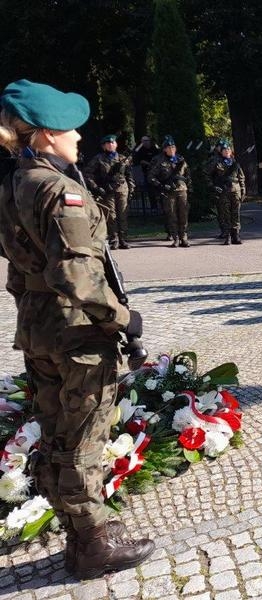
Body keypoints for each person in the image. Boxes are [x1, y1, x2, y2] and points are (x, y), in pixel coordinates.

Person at [0, 79, 154, 579]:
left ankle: (76, 534)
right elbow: (77, 276)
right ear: (44, 135)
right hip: (78, 333)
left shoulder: (13, 184)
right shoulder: (61, 190)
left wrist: (33, 311)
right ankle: (94, 543)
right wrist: (124, 319)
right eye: (69, 128)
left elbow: (17, 270)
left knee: (56, 432)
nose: (80, 138)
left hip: (39, 328)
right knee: (85, 436)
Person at [83, 134, 134, 249]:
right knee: (111, 214)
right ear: (104, 146)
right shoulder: (98, 158)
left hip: (122, 189)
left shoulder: (123, 159)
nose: (111, 145)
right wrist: (96, 187)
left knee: (122, 214)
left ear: (116, 145)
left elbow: (129, 175)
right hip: (107, 190)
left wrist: (131, 189)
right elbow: (87, 174)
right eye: (108, 143)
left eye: (113, 143)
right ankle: (114, 237)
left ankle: (123, 238)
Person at [148, 136, 191, 247]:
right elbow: (151, 177)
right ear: (164, 149)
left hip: (182, 189)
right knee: (171, 215)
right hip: (168, 192)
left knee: (183, 214)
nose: (171, 149)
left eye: (173, 147)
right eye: (168, 147)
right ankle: (175, 237)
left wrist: (189, 186)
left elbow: (187, 175)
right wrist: (161, 186)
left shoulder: (181, 160)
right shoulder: (159, 161)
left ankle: (184, 237)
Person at [206, 140, 245, 244]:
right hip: (223, 191)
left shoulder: (235, 162)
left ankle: (236, 235)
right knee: (225, 213)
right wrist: (213, 186)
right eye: (224, 150)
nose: (227, 151)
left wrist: (243, 190)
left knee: (236, 213)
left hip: (235, 191)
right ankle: (227, 235)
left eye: (228, 149)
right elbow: (207, 175)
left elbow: (241, 177)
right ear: (221, 152)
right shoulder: (216, 162)